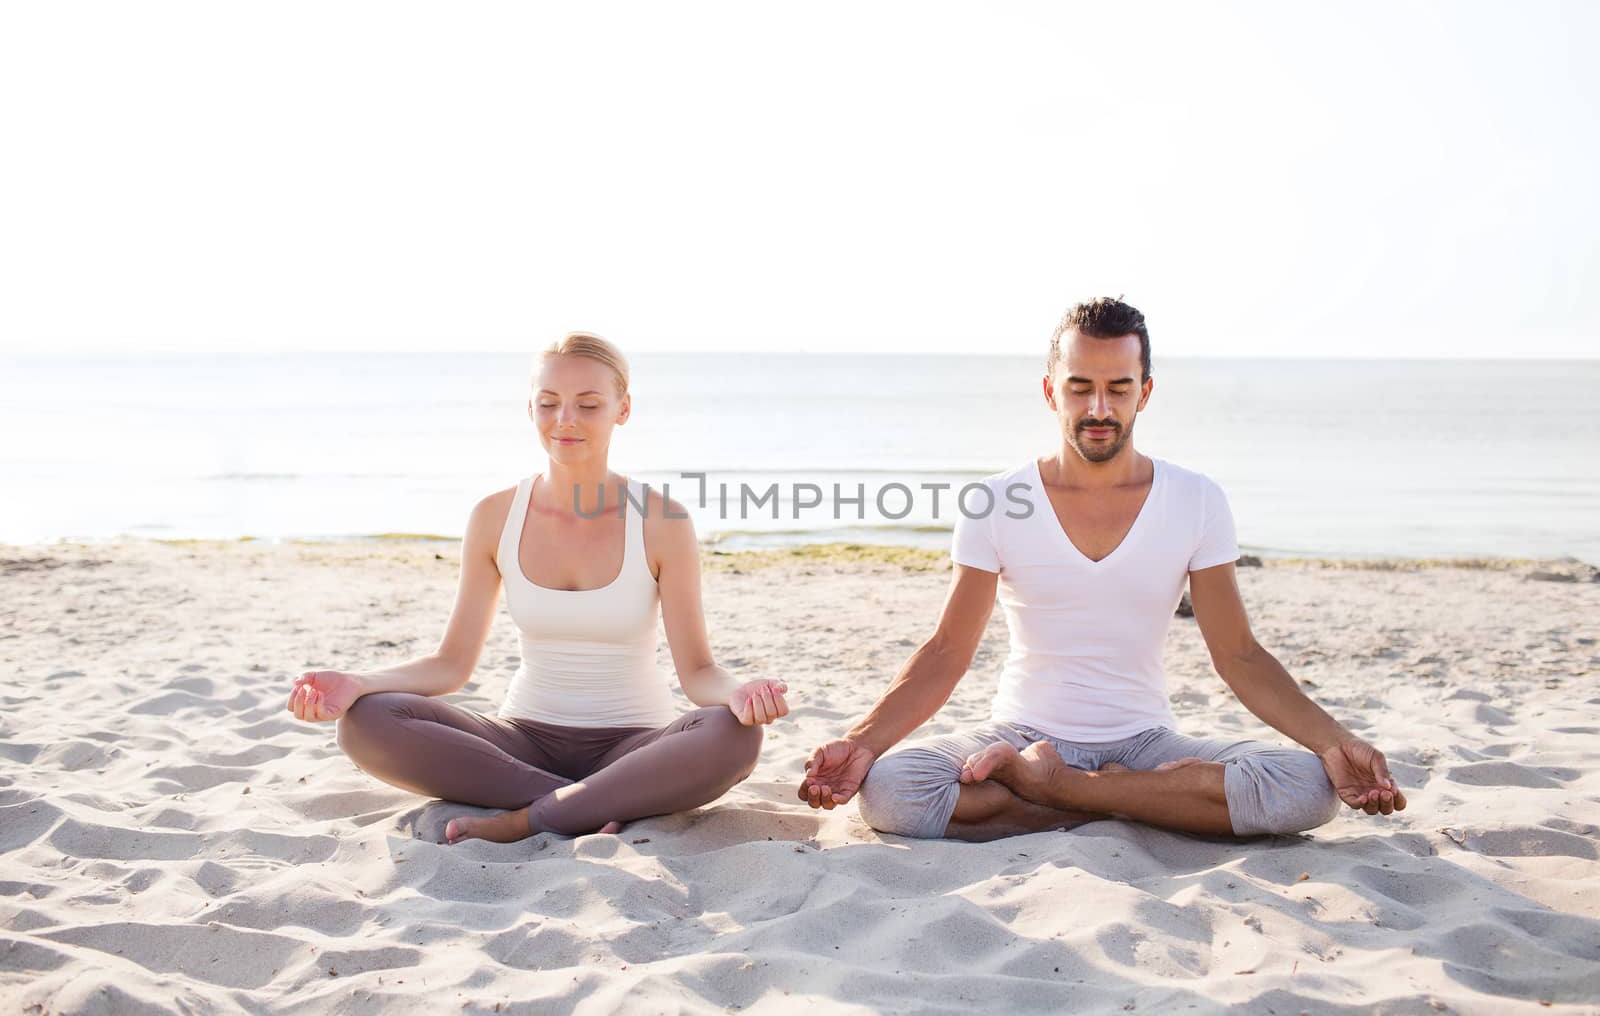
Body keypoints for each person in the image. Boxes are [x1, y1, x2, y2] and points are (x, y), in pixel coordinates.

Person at [797, 298, 1406, 841]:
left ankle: (1058, 794)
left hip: (1145, 743)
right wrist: (861, 742)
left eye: (1118, 388)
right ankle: (1129, 804)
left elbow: (1239, 656)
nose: (1098, 407)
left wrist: (1332, 743)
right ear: (1049, 390)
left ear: (1144, 391)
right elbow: (947, 652)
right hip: (1020, 735)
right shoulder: (995, 500)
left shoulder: (1195, 499)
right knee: (893, 789)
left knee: (1306, 784)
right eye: (1079, 386)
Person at [286, 332, 789, 844]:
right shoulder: (495, 516)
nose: (565, 419)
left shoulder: (661, 520)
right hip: (518, 743)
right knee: (364, 720)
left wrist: (739, 693)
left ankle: (530, 817)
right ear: (530, 408)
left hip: (636, 746)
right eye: (548, 403)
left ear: (623, 409)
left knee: (733, 733)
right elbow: (451, 665)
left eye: (588, 404)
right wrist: (358, 683)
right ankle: (587, 802)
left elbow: (699, 674)